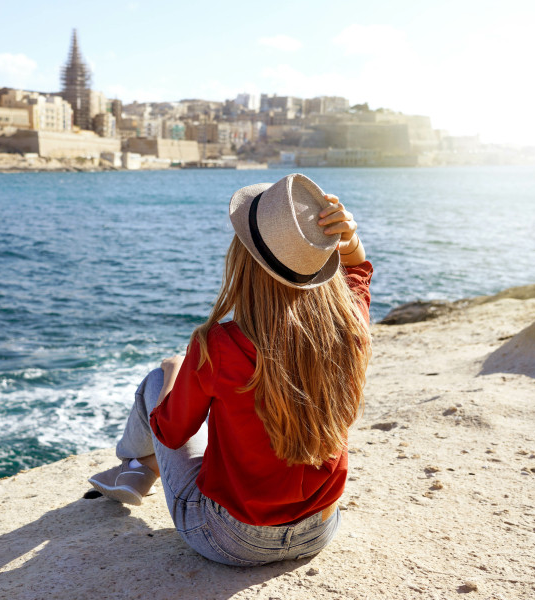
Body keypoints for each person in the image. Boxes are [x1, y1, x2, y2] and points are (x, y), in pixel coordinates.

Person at [88, 173, 372, 566]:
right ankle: (136, 466)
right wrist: (351, 240)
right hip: (317, 530)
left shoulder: (219, 345)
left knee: (159, 380)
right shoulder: (349, 324)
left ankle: (135, 466)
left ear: (244, 260)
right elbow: (358, 277)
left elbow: (171, 431)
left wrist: (175, 372)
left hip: (233, 540)